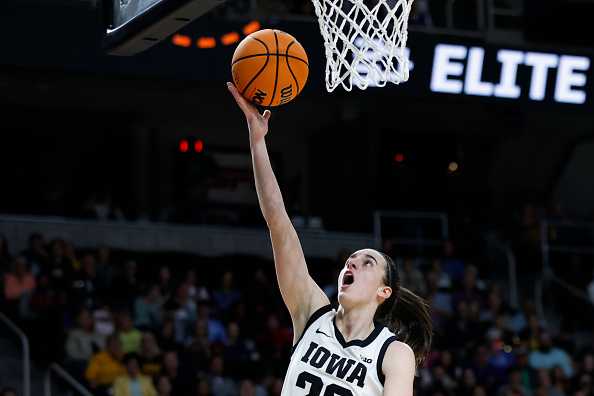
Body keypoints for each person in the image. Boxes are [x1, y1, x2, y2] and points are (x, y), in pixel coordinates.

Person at [227, 82, 433, 395]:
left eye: (367, 262)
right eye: (352, 259)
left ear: (383, 291)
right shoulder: (312, 313)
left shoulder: (393, 353)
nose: (353, 261)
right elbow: (279, 223)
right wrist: (258, 142)